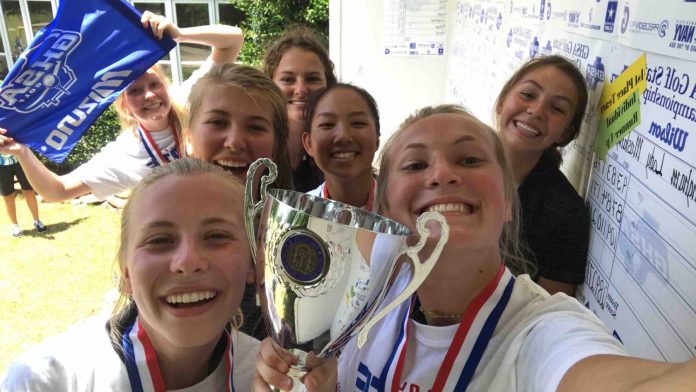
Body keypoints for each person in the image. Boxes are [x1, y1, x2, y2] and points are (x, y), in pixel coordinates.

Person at [255, 105, 696, 391]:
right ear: (385, 209)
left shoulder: (542, 332)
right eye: (415, 164)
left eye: (469, 160)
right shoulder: (360, 303)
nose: (442, 174)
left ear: (507, 201)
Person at [0, 158, 259, 391]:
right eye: (159, 240)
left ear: (252, 263)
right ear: (126, 273)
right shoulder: (46, 382)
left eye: (216, 236)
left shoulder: (271, 378)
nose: (188, 262)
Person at [0, 12, 243, 202]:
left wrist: (178, 34)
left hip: (229, 210)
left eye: (154, 84)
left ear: (165, 85)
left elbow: (232, 40)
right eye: (135, 91)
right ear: (124, 105)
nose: (149, 95)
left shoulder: (189, 99)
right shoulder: (125, 152)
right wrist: (23, 153)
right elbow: (58, 191)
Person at [182, 62, 294, 341]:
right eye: (218, 123)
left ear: (277, 145)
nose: (234, 141)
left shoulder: (294, 238)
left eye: (255, 127)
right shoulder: (156, 226)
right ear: (188, 136)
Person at [494, 55, 591, 296]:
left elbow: (547, 315)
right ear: (502, 102)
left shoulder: (567, 215)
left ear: (566, 132)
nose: (536, 111)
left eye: (557, 108)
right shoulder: (452, 167)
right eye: (528, 95)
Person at [263, 25, 337, 192]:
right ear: (269, 84)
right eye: (288, 79)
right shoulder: (256, 145)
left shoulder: (337, 148)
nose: (301, 90)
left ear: (328, 84)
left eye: (312, 79)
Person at [303, 84, 380, 212]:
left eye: (357, 123)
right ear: (308, 143)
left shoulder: (403, 210)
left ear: (377, 138)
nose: (343, 136)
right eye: (327, 124)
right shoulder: (298, 214)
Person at [0, 153, 46, 237]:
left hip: (21, 160)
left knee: (29, 191)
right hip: (1, 164)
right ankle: (15, 226)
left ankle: (37, 221)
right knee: (8, 196)